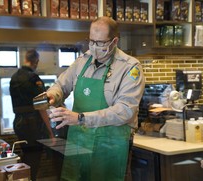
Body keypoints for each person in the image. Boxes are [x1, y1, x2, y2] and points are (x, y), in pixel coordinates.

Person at [46, 16, 145, 181]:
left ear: (114, 42)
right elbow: (61, 85)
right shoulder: (82, 60)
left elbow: (125, 111)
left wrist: (81, 118)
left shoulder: (130, 67)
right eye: (91, 41)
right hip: (79, 142)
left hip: (112, 146)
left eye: (100, 43)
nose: (93, 47)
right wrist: (52, 95)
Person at [9, 49, 54, 181]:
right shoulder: (34, 78)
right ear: (36, 61)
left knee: (26, 158)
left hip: (18, 123)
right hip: (33, 124)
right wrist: (50, 131)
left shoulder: (14, 77)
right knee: (34, 160)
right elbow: (42, 107)